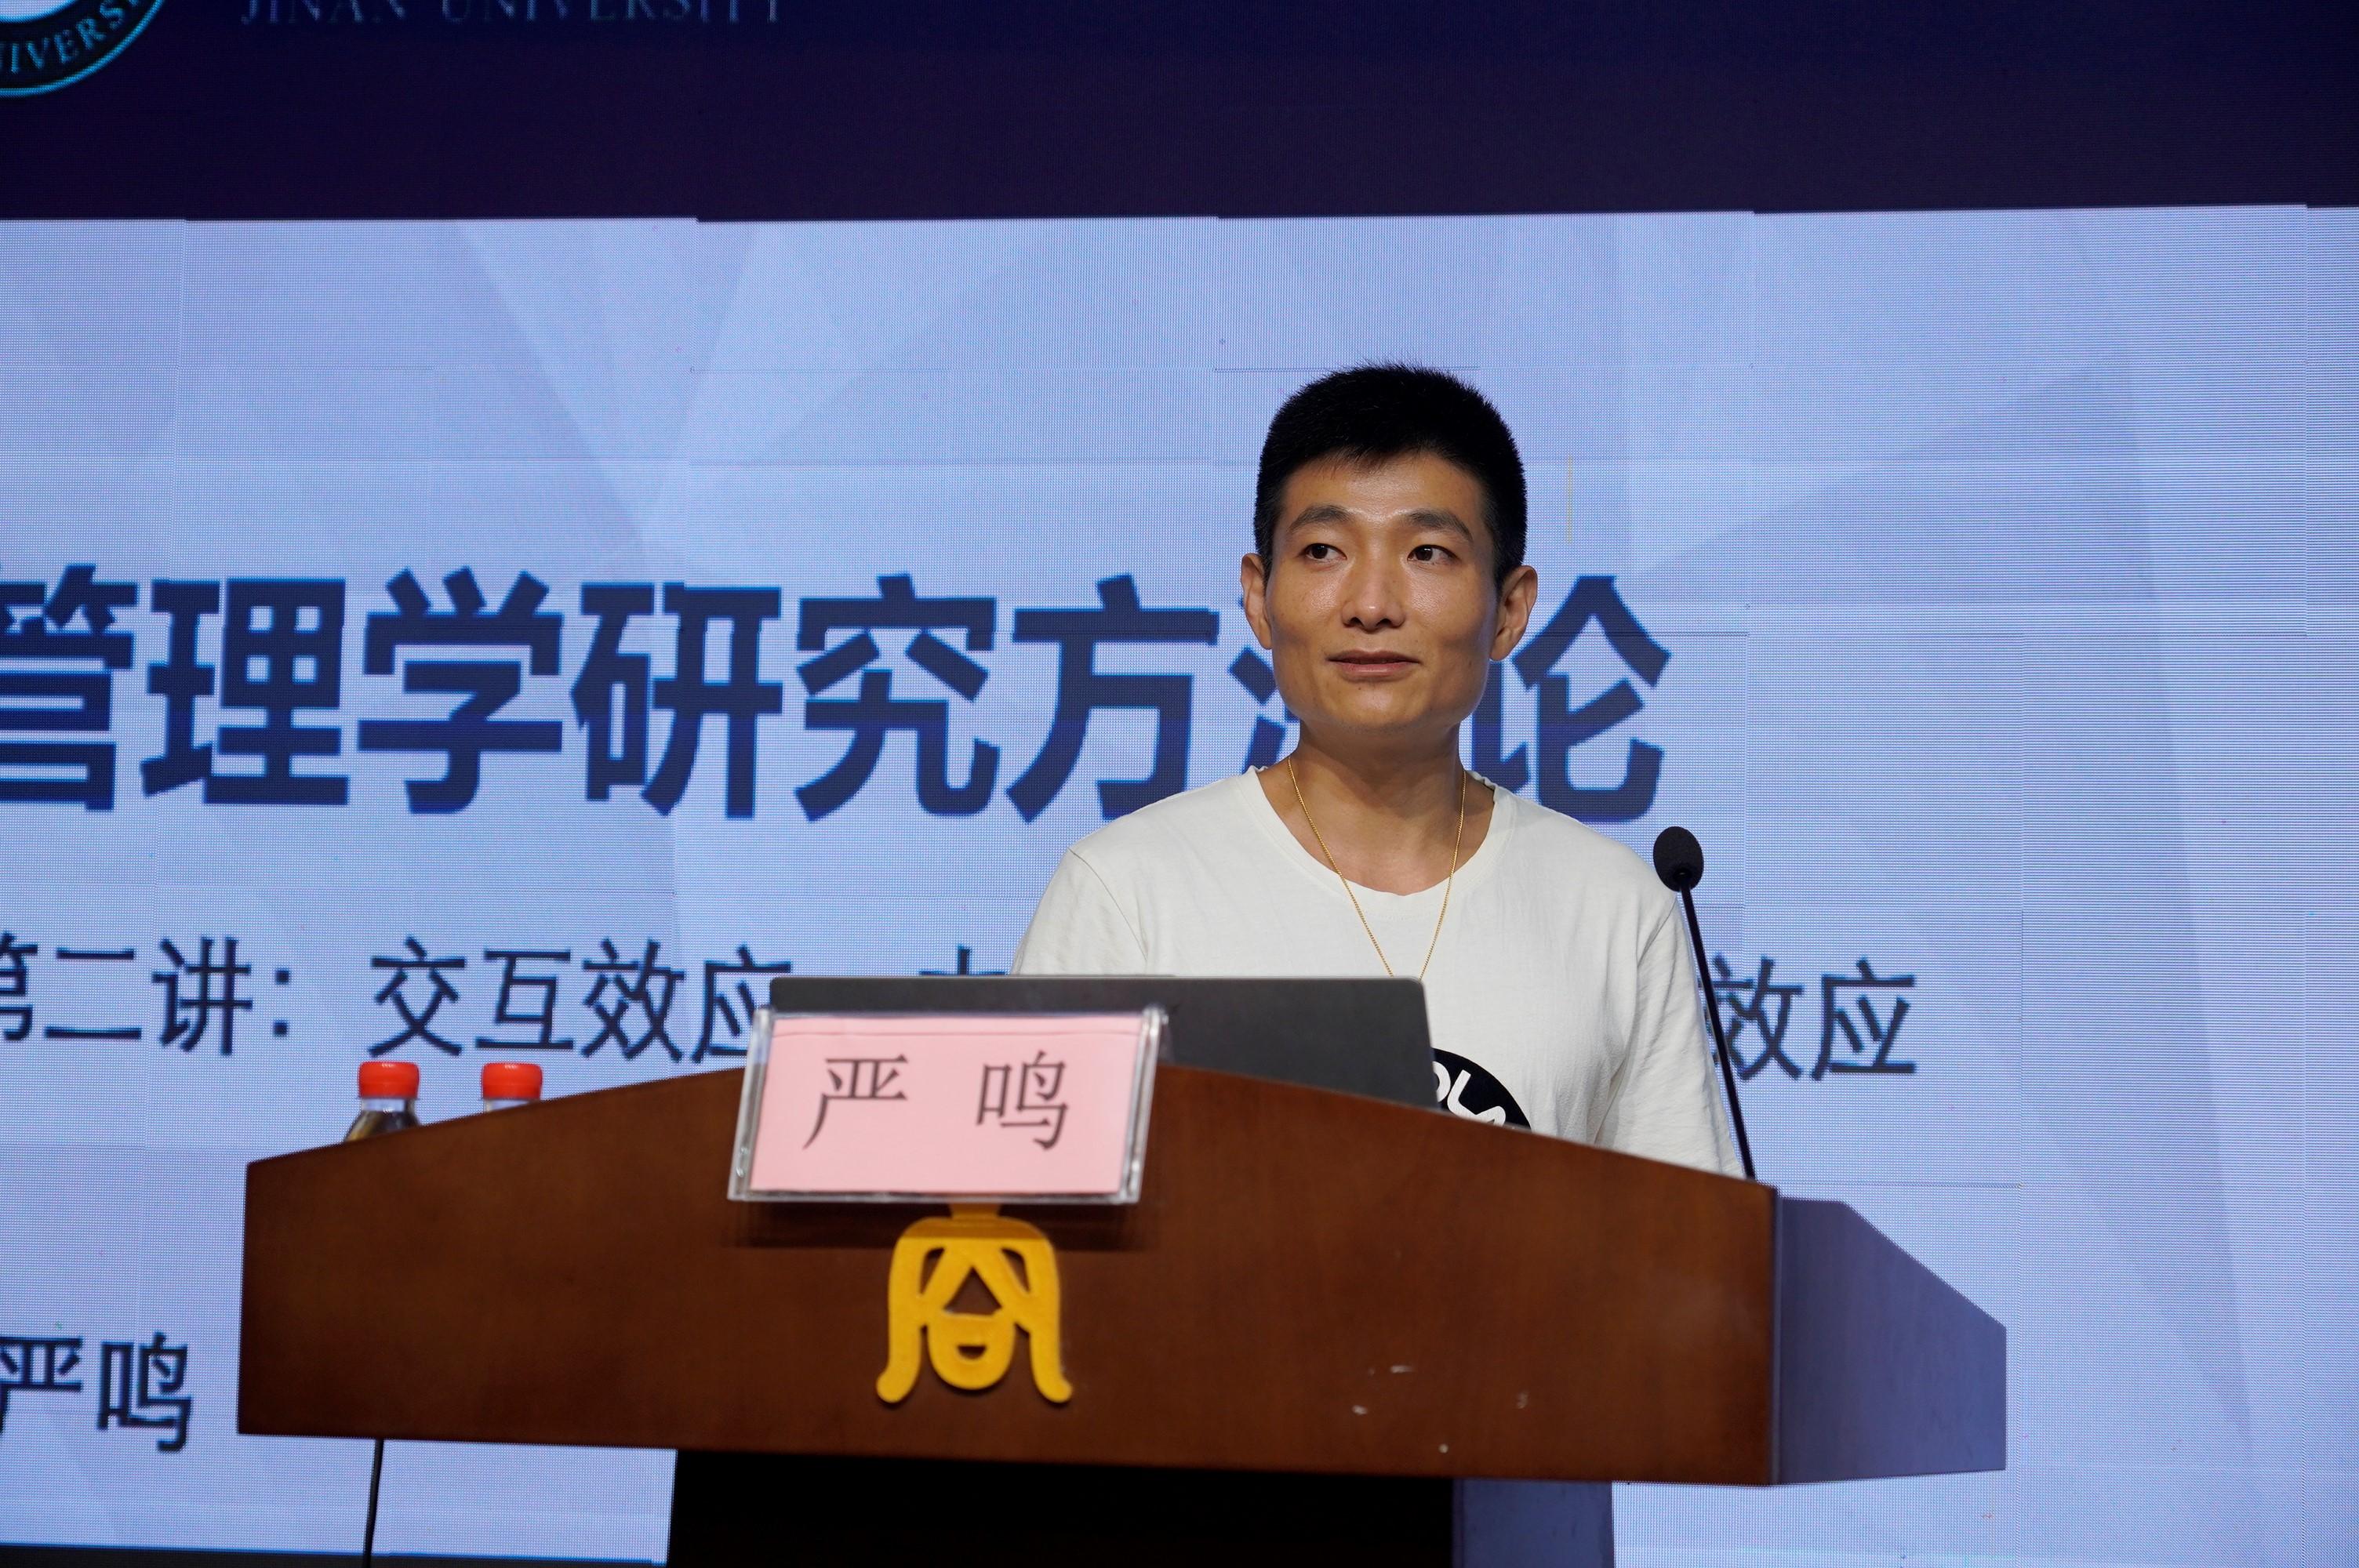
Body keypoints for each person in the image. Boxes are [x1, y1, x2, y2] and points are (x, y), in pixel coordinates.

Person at [1012, 364, 1737, 1175]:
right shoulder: (1128, 892)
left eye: (1428, 552)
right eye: (1323, 550)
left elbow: (1685, 1240)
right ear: (1258, 597)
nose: (1371, 604)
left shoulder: (1612, 907)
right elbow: (1027, 1213)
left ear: (1509, 609)